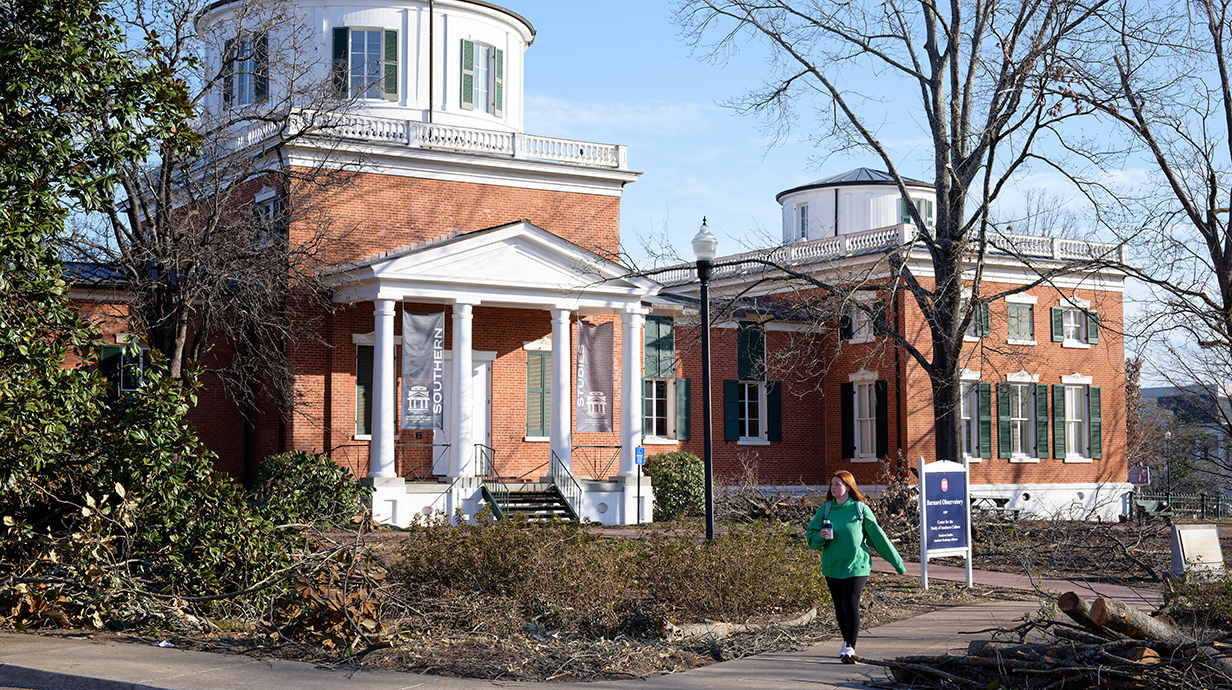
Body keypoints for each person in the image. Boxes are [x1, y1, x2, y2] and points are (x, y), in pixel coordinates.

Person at [806, 470, 906, 664]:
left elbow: (879, 539)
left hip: (857, 565)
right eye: (832, 484)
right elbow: (811, 538)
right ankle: (846, 642)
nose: (833, 488)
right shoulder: (825, 510)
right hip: (832, 566)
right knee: (839, 606)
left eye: (838, 484)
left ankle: (850, 647)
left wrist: (897, 564)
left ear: (848, 487)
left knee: (851, 602)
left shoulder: (860, 509)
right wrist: (821, 536)